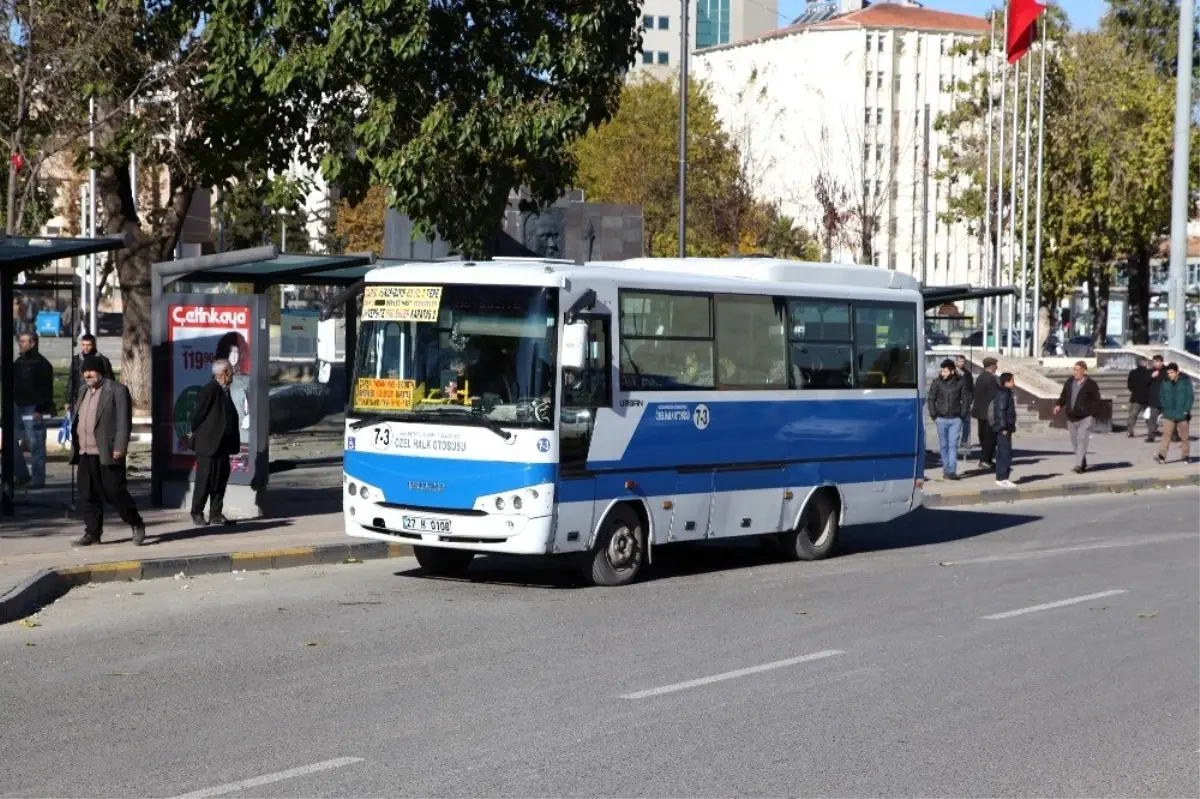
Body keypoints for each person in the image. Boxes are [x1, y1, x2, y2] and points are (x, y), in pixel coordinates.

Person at [69, 355, 146, 546]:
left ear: (100, 371)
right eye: (85, 371)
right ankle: (93, 532)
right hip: (85, 452)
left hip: (108, 451)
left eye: (92, 370)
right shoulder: (83, 391)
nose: (88, 374)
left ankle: (135, 522)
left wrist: (120, 447)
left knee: (115, 491)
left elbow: (123, 423)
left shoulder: (117, 390)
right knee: (87, 494)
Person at [187, 359, 240, 526]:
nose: (233, 375)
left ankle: (216, 514)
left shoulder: (225, 391)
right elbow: (197, 415)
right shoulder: (210, 390)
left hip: (223, 445)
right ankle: (197, 512)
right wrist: (193, 431)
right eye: (231, 372)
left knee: (220, 480)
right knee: (205, 480)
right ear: (224, 373)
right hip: (208, 444)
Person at [12, 332, 55, 488]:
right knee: (10, 442)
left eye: (24, 342)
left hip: (34, 408)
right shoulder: (18, 361)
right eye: (20, 341)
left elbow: (46, 389)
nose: (20, 344)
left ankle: (38, 480)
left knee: (36, 445)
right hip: (17, 406)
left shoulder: (41, 363)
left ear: (33, 343)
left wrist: (41, 409)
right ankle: (22, 474)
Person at [1054, 360, 1102, 474]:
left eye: (1077, 370)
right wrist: (1058, 405)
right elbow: (1064, 396)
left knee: (1082, 440)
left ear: (1084, 371)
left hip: (1085, 418)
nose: (1075, 372)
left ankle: (1078, 465)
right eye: (1074, 369)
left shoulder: (1091, 384)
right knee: (1075, 442)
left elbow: (1097, 401)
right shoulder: (1070, 382)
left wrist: (1092, 414)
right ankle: (1082, 462)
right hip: (1071, 418)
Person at [927, 358, 971, 481]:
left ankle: (951, 471)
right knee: (944, 445)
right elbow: (931, 399)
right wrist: (934, 415)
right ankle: (946, 470)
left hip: (956, 419)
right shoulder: (937, 382)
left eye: (945, 371)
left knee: (953, 445)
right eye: (942, 371)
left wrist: (962, 415)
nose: (943, 373)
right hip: (941, 419)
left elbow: (966, 399)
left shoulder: (960, 382)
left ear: (952, 371)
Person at [66, 334, 115, 415]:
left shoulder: (103, 360)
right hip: (79, 398)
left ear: (94, 345)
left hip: (98, 398)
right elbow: (71, 381)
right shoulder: (76, 360)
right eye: (83, 345)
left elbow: (109, 380)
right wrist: (68, 400)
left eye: (88, 345)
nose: (85, 347)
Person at [1154, 363, 1193, 465]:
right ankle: (1162, 456)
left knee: (1184, 436)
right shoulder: (1165, 383)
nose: (1170, 375)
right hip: (1169, 414)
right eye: (1168, 373)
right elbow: (1161, 397)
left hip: (1182, 414)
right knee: (1166, 435)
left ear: (1177, 372)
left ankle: (1185, 456)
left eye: (1172, 372)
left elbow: (1190, 397)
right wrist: (1165, 409)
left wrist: (1186, 410)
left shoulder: (1185, 383)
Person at [971, 356, 1000, 470]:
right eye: (996, 365)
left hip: (980, 412)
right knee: (990, 438)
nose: (997, 367)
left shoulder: (980, 377)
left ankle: (987, 460)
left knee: (983, 436)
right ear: (992, 366)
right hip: (989, 412)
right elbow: (995, 394)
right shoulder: (991, 378)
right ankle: (984, 460)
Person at [991, 372, 1018, 488]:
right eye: (1012, 380)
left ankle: (1002, 477)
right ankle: (1002, 478)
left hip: (1006, 427)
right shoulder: (1003, 393)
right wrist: (1004, 427)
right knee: (1004, 452)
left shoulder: (1005, 392)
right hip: (1004, 428)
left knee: (1004, 452)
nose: (1014, 383)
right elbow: (1001, 412)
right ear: (1007, 382)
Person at [1126, 357, 1153, 438]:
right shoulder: (1149, 373)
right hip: (1146, 398)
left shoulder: (1132, 373)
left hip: (1136, 397)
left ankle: (1130, 431)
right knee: (1148, 416)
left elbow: (1129, 385)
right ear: (1144, 363)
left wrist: (1135, 390)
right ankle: (1151, 431)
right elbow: (1151, 385)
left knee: (1132, 416)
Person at [955, 354, 975, 455]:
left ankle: (964, 441)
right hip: (955, 403)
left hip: (966, 402)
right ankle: (955, 441)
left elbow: (972, 388)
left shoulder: (967, 374)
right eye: (959, 361)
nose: (961, 363)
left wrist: (971, 401)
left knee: (966, 423)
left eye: (963, 362)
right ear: (956, 362)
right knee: (956, 423)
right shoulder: (952, 373)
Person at [1146, 354, 1166, 442]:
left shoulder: (1167, 371)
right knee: (1152, 419)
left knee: (1171, 419)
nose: (1155, 364)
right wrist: (1151, 377)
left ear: (1161, 362)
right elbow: (1144, 383)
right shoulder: (1150, 371)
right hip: (1154, 400)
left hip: (1166, 400)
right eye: (1154, 362)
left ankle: (1174, 435)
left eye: (1157, 362)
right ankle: (1151, 436)